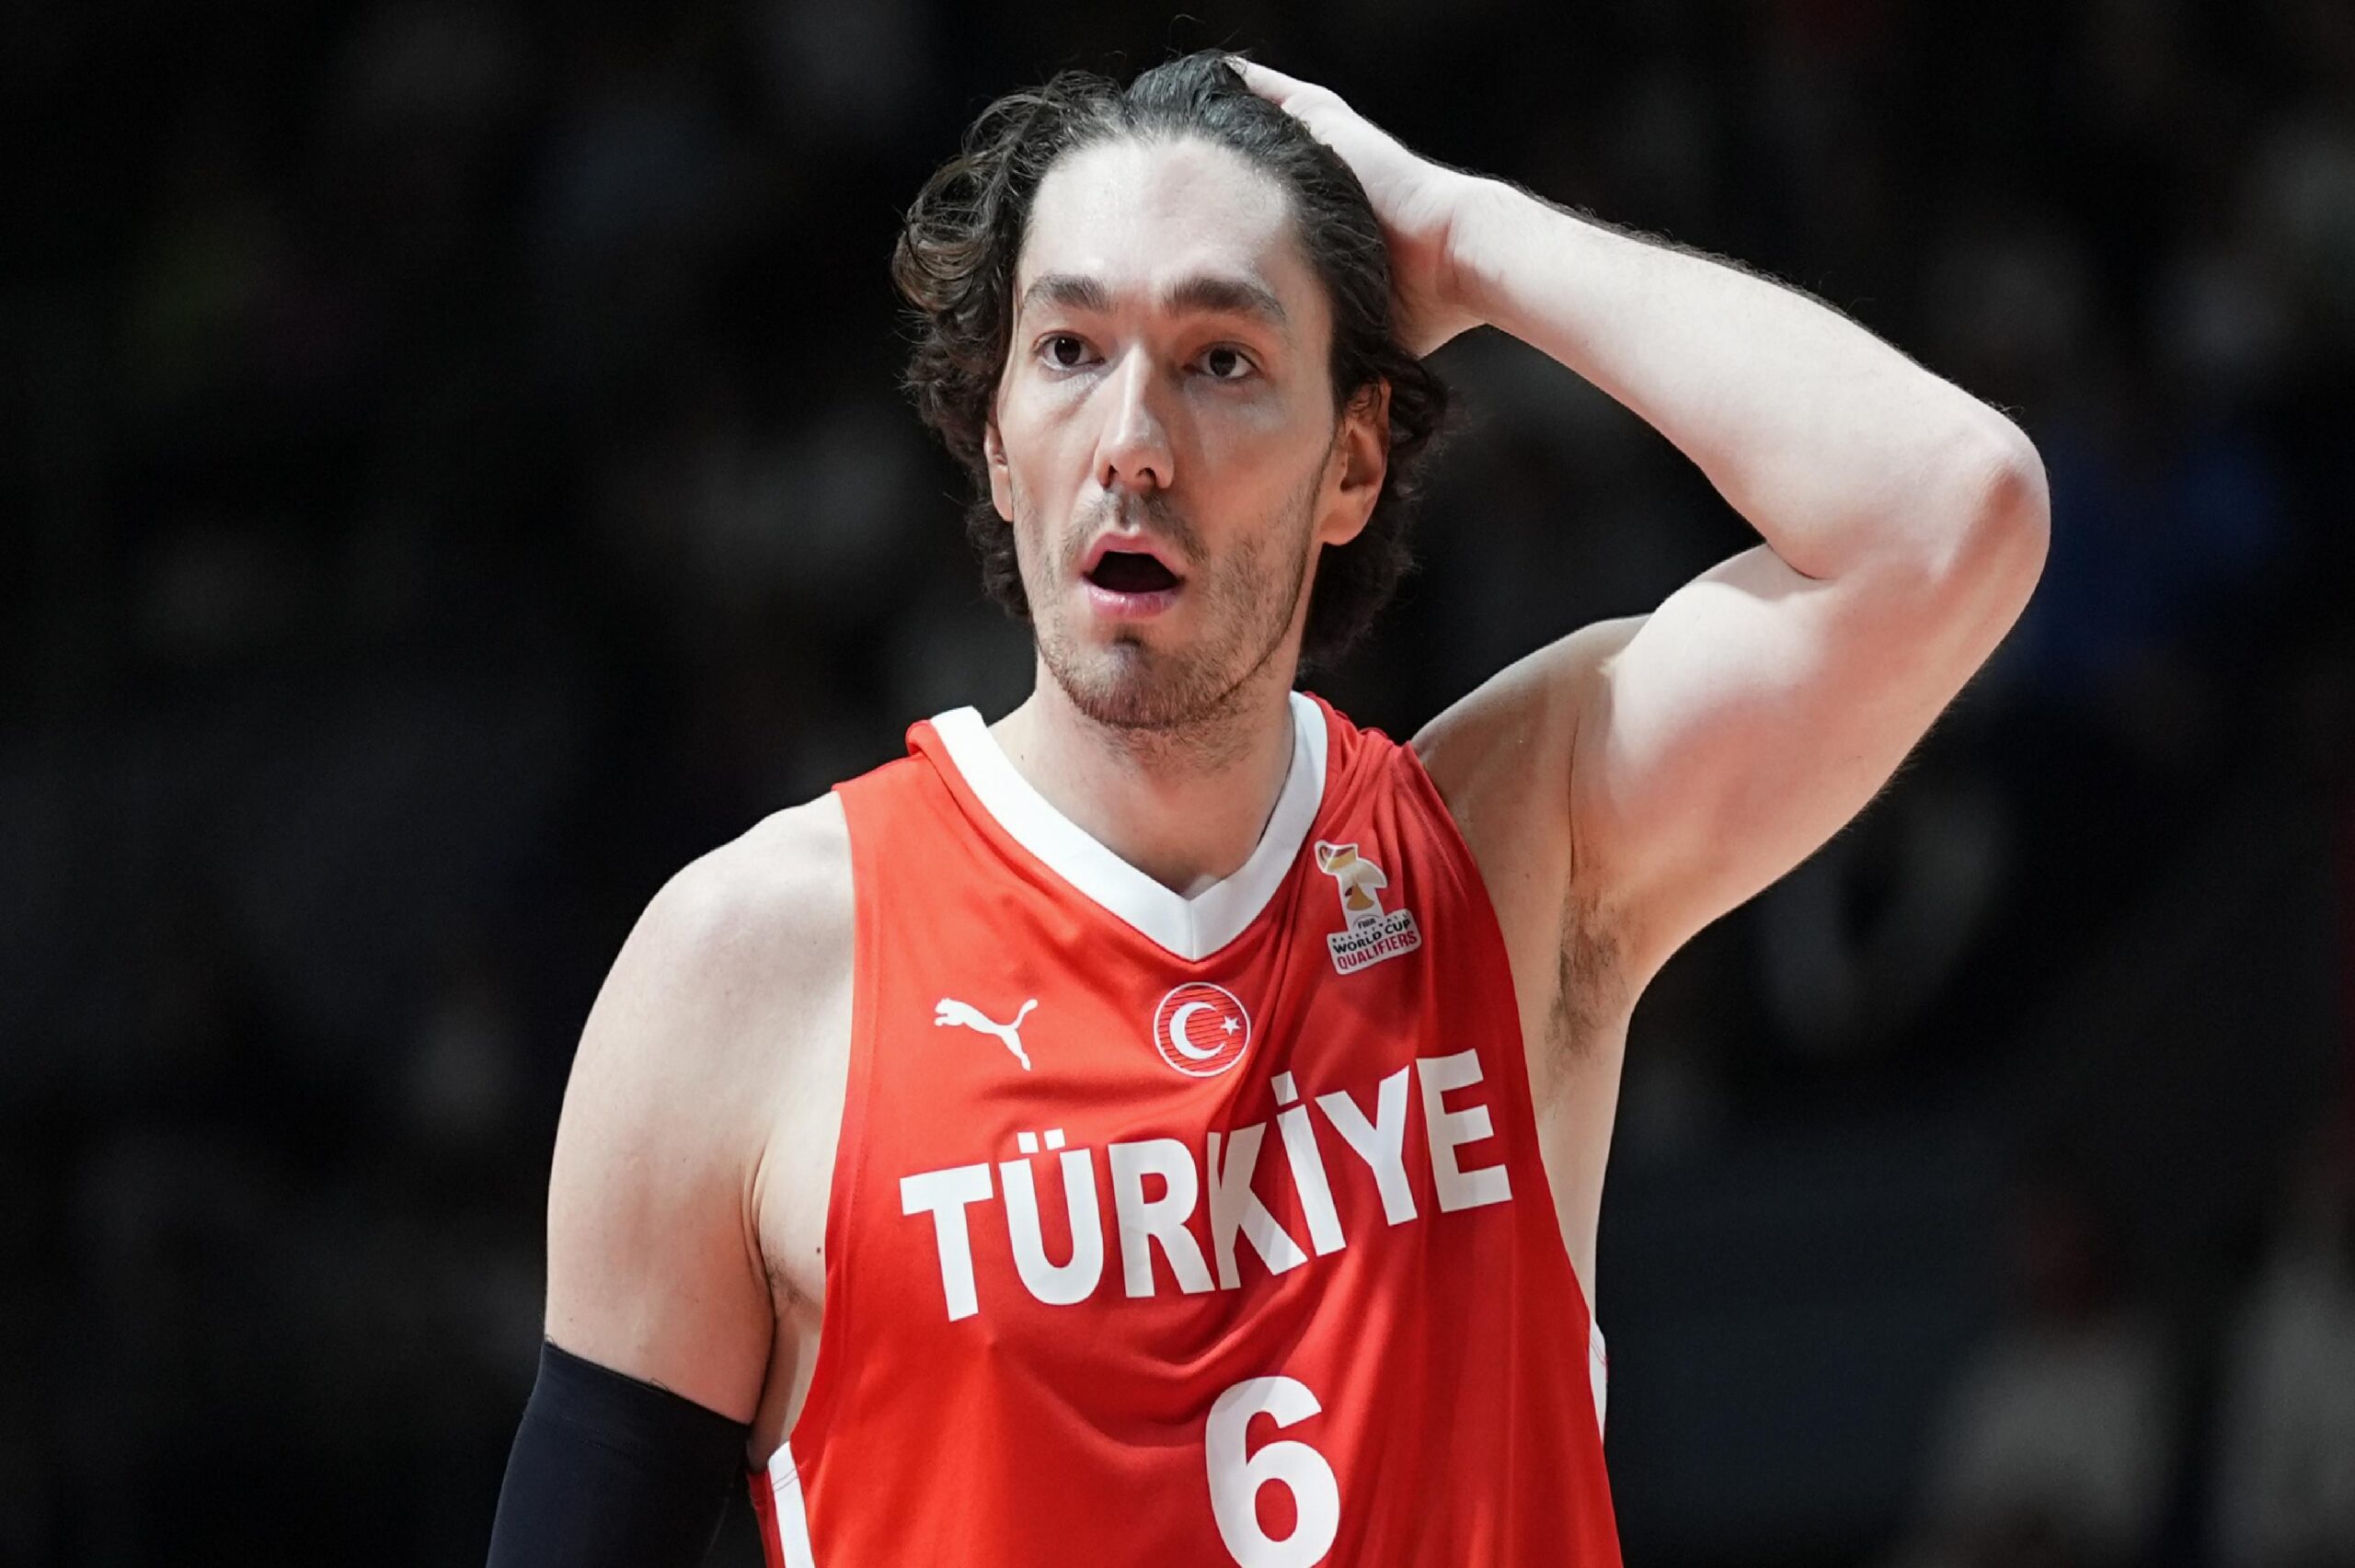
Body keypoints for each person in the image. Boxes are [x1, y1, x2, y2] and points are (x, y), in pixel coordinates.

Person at [486, 49, 2050, 1568]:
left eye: (1221, 360)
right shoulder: (744, 971)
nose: (1132, 443)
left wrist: (1462, 235)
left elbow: (1954, 510)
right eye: (1069, 350)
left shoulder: (1510, 847)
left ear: (1354, 461)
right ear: (998, 445)